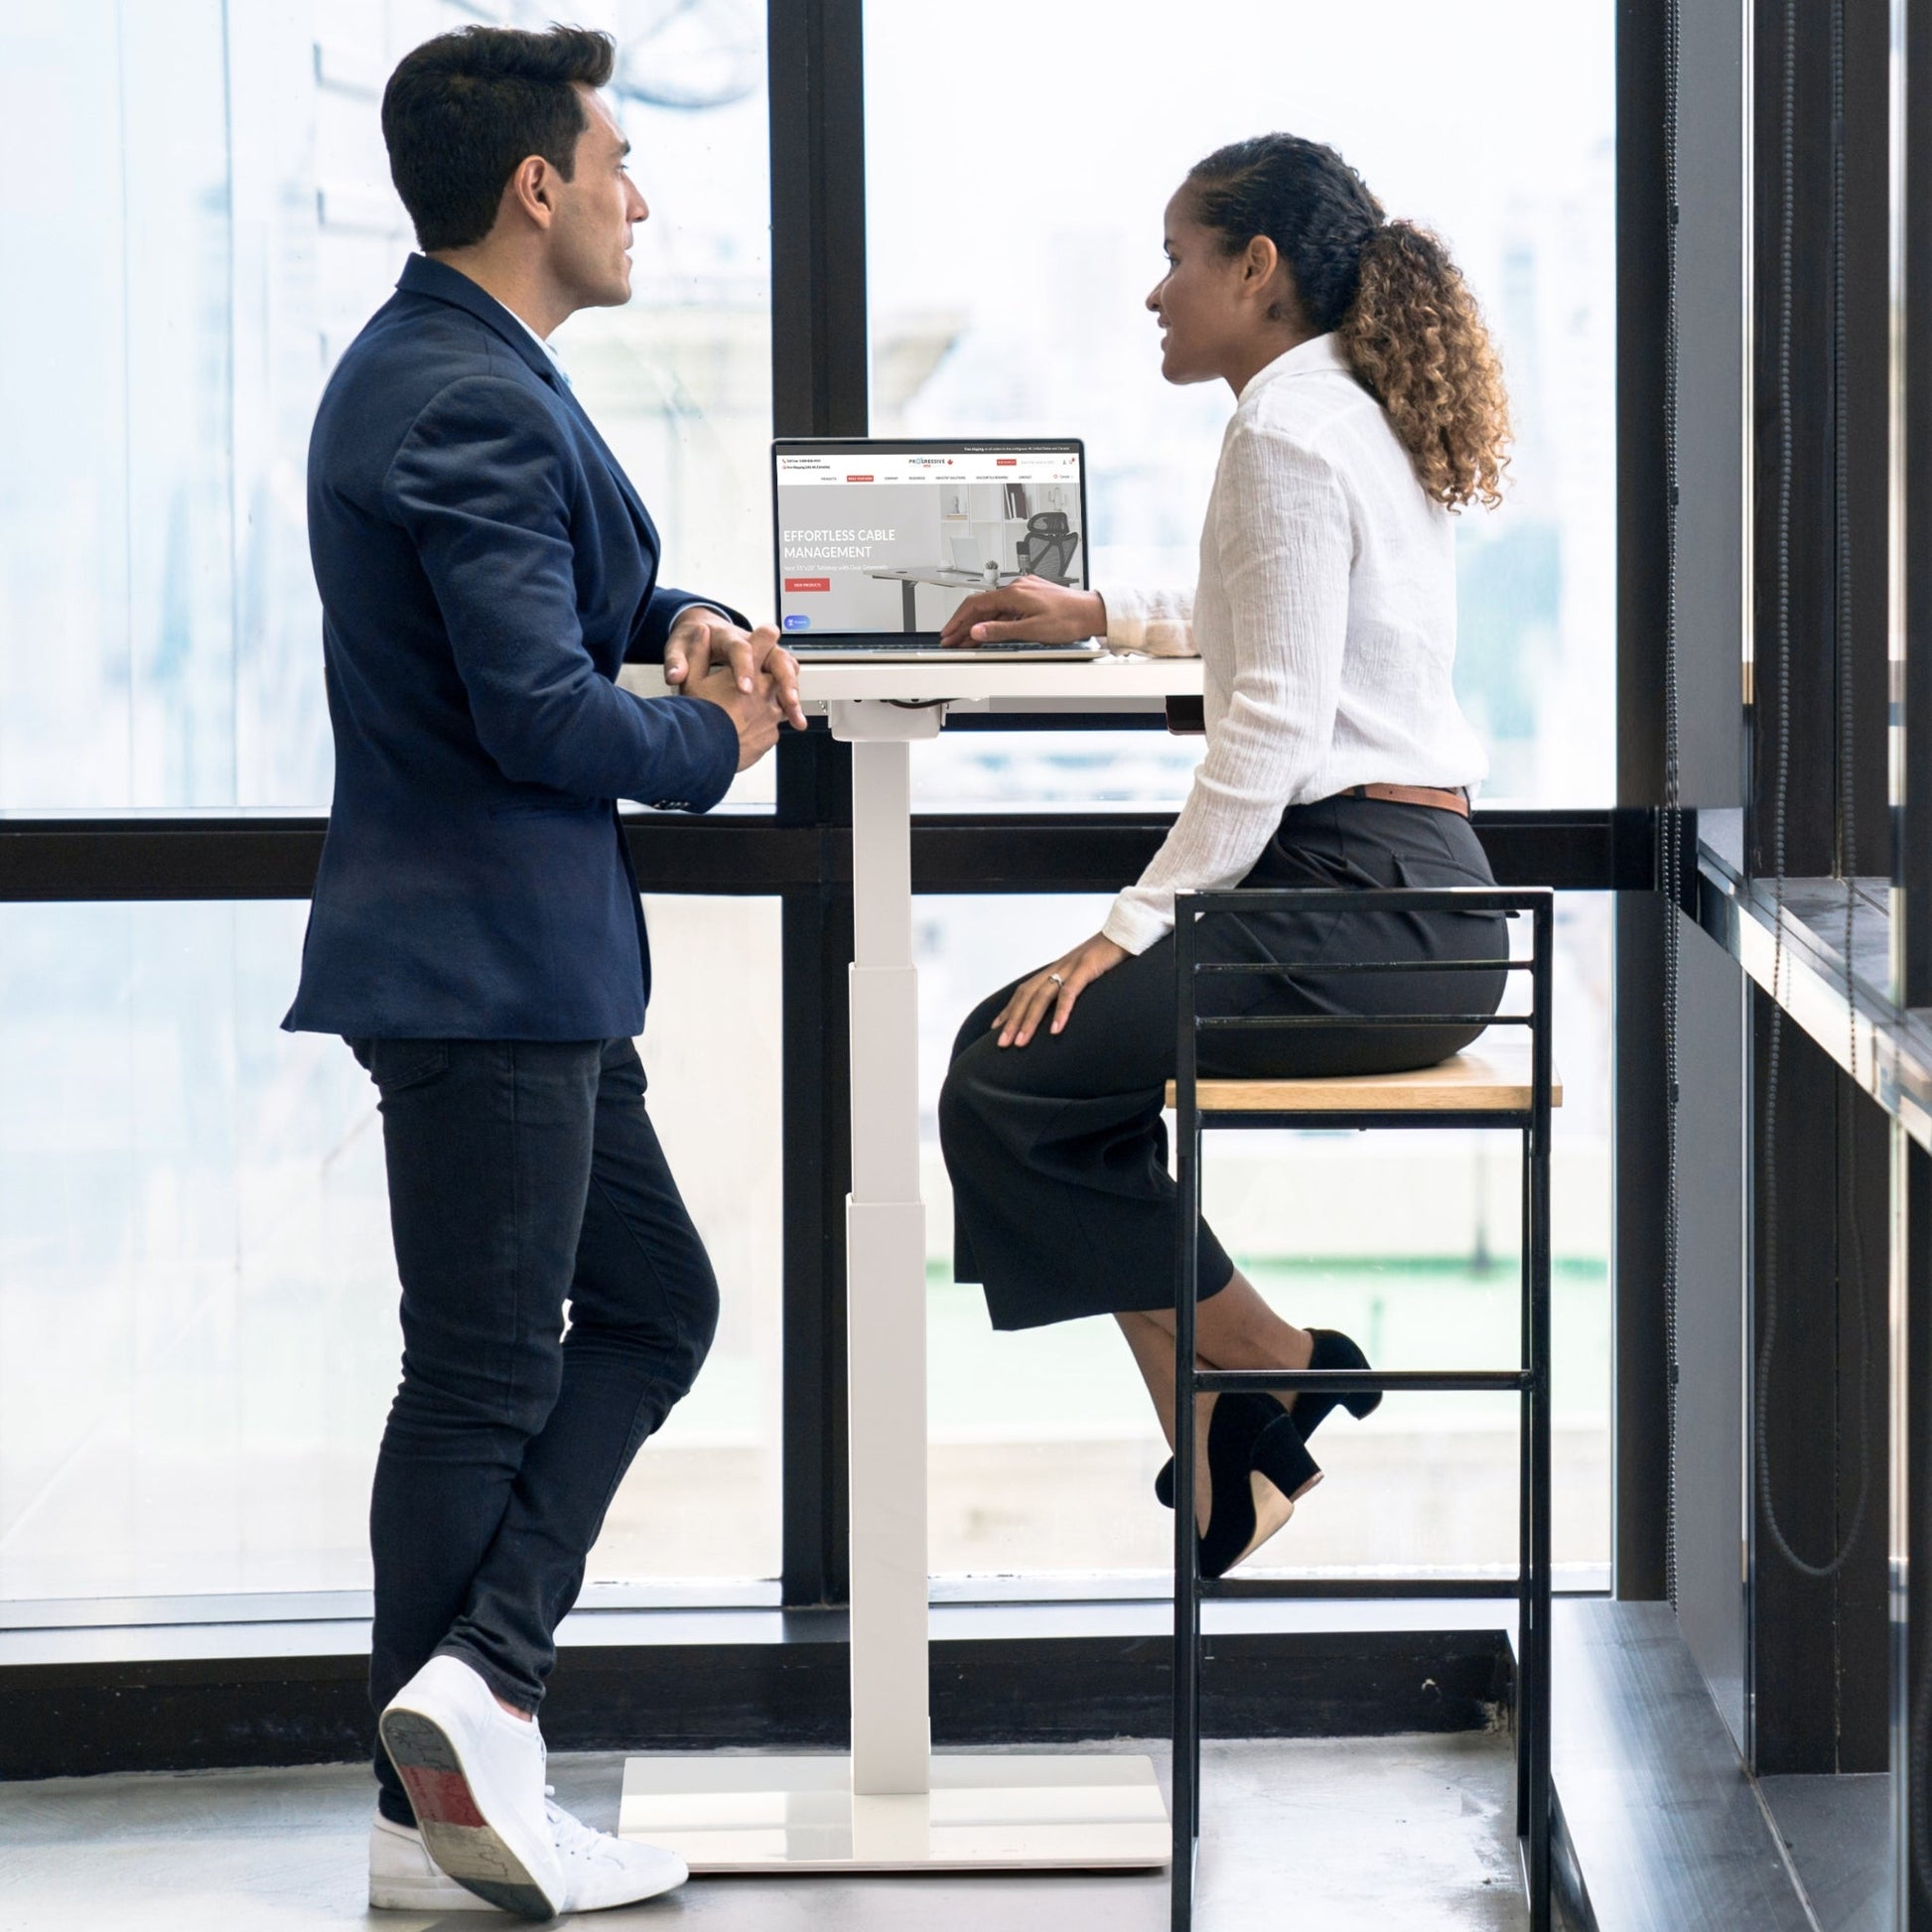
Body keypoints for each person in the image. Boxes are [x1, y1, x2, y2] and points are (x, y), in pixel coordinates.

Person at [280, 25, 802, 1920]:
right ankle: (446, 1786)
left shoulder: (460, 369)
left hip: (523, 967)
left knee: (650, 1308)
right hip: (489, 962)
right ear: (536, 187)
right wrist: (717, 747)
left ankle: (472, 1691)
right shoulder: (465, 396)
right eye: (616, 161)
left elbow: (571, 607)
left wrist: (686, 618)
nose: (638, 197)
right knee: (485, 1378)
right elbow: (531, 705)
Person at [937, 135, 1512, 1584]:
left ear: (1255, 270)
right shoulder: (1339, 414)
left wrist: (1118, 930)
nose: (1153, 290)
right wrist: (1094, 613)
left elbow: (1264, 728)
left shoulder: (1286, 430)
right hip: (1410, 905)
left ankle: (1265, 1356)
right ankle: (1227, 1434)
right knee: (1060, 1080)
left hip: (1367, 909)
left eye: (1179, 256)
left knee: (1009, 1068)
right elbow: (1258, 613)